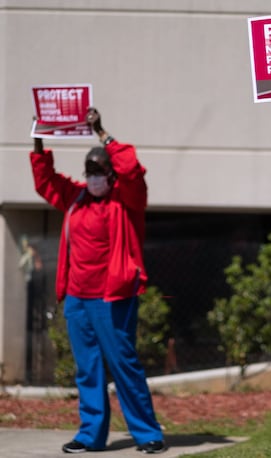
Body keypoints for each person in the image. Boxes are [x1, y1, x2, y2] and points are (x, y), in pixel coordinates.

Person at [30, 107, 166, 454]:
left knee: (123, 363)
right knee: (87, 369)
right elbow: (46, 181)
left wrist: (102, 133)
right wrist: (39, 140)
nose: (93, 177)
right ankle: (90, 435)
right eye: (88, 171)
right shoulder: (76, 199)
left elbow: (132, 170)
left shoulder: (127, 200)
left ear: (111, 174)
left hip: (112, 297)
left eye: (99, 171)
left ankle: (148, 433)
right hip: (77, 298)